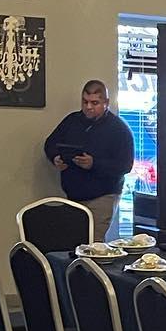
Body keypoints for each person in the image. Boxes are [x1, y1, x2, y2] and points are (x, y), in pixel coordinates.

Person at [42, 80, 134, 236]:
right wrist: (55, 157)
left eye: (95, 103)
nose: (89, 107)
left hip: (103, 195)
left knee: (94, 243)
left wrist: (94, 164)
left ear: (106, 103)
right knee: (73, 241)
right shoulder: (72, 121)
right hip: (73, 195)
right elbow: (50, 143)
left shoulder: (119, 129)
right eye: (85, 102)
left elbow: (125, 166)